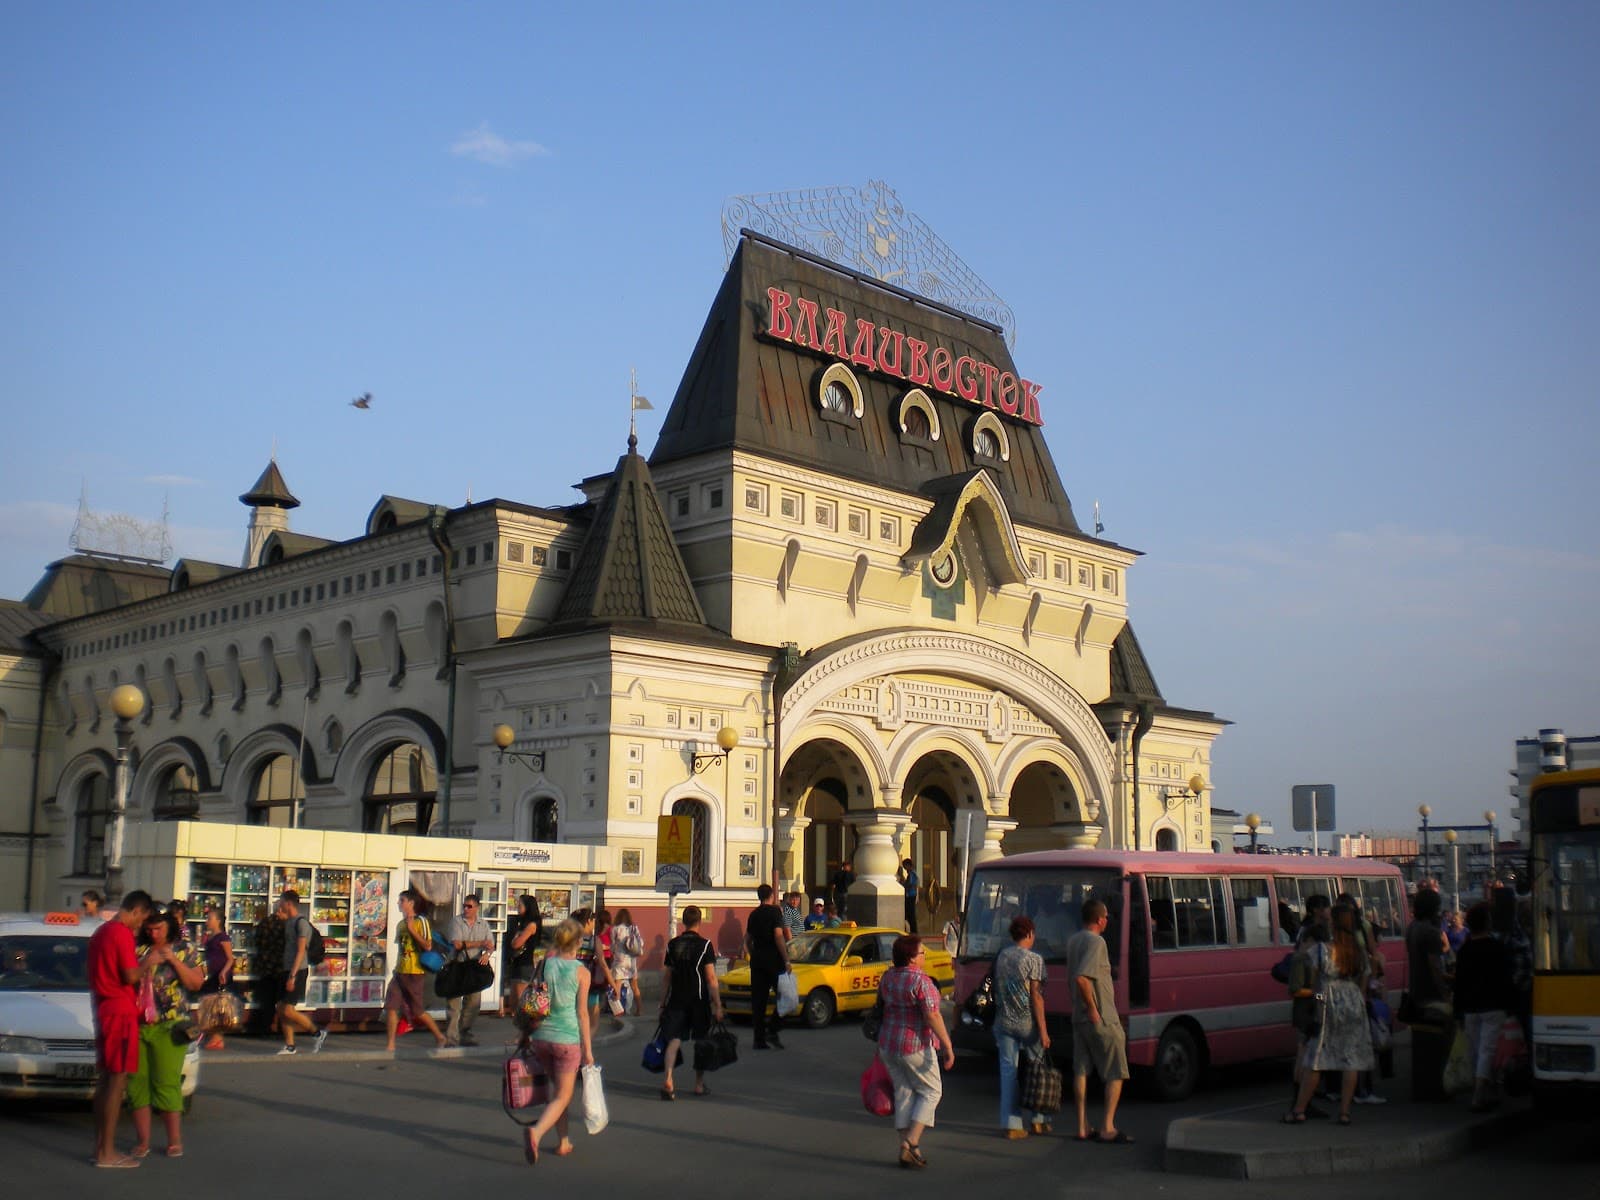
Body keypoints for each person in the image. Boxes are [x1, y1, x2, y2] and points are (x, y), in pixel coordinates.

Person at [1286, 902, 1373, 1124]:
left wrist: (1318, 1003)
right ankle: (1344, 1112)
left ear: (1334, 923)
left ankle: (1299, 1110)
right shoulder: (1359, 952)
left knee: (1316, 1057)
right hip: (1353, 1001)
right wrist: (1358, 1001)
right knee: (1350, 1059)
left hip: (1327, 1001)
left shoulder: (1322, 950)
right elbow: (1364, 981)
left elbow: (1315, 984)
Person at [129, 908, 205, 1159]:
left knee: (166, 1081)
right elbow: (126, 979)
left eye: (159, 929)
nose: (154, 934)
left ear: (169, 927)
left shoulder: (185, 949)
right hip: (138, 1023)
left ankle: (174, 1140)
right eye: (149, 929)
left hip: (171, 1025)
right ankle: (143, 1141)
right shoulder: (138, 949)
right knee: (137, 1083)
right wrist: (146, 963)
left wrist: (173, 960)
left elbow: (196, 983)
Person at [875, 935, 956, 1169]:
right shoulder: (921, 981)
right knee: (932, 1091)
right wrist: (948, 1046)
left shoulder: (888, 977)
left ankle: (907, 1148)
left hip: (888, 1043)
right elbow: (933, 1015)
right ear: (911, 958)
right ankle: (911, 1141)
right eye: (922, 953)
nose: (924, 956)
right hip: (915, 1044)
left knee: (904, 1092)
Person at [88, 889, 154, 1168]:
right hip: (120, 1010)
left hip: (103, 1007)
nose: (141, 925)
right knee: (117, 1081)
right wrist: (149, 961)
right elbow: (129, 974)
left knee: (105, 1080)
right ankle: (107, 1152)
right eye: (142, 919)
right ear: (136, 911)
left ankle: (101, 1146)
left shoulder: (100, 932)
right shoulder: (121, 933)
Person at [520, 918, 595, 1165]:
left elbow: (532, 998)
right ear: (578, 942)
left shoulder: (545, 964)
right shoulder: (581, 972)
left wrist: (525, 1034)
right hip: (566, 1039)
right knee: (563, 1095)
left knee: (558, 1093)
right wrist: (588, 1050)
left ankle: (563, 1142)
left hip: (542, 1036)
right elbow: (582, 1013)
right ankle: (536, 1132)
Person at [1065, 899, 1131, 1143]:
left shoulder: (1073, 941)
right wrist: (1093, 1008)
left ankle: (1082, 1125)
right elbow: (1082, 978)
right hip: (1100, 1015)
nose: (1107, 921)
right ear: (1100, 919)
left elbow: (1072, 978)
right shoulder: (1097, 942)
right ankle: (1107, 1126)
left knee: (1081, 1070)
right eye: (1106, 917)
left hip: (1078, 1017)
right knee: (1116, 1070)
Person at [994, 915, 1052, 1138]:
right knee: (1038, 1069)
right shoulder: (1034, 959)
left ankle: (1012, 1124)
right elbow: (1036, 996)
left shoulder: (1002, 956)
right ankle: (1039, 1119)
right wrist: (1044, 1031)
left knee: (1008, 1071)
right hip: (1028, 1023)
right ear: (1029, 934)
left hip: (1003, 1021)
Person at [1453, 902, 1514, 1112]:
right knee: (1487, 1049)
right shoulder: (1497, 948)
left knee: (1475, 1050)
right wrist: (1510, 1004)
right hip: (1493, 1006)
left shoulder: (1464, 950)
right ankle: (1480, 1093)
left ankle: (1482, 1089)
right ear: (1488, 923)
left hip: (1470, 1007)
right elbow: (1506, 978)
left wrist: (1458, 1010)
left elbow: (1459, 983)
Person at [659, 905, 723, 1100]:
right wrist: (718, 1005)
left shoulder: (672, 945)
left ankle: (668, 1079)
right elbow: (710, 977)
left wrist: (662, 1003)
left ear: (683, 921)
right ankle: (698, 1084)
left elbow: (667, 977)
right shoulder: (705, 945)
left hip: (676, 999)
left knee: (673, 1040)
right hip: (698, 1000)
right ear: (699, 922)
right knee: (701, 1041)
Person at [1406, 887, 1454, 1101]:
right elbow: (1435, 966)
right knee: (1439, 1045)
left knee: (1421, 1046)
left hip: (1416, 990)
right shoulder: (1431, 932)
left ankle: (1421, 1087)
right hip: (1431, 994)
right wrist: (1444, 993)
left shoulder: (1412, 928)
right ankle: (1438, 1087)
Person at [384, 888, 447, 1051]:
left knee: (418, 1010)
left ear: (411, 903)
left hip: (415, 972)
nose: (399, 903)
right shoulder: (400, 924)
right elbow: (402, 948)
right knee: (391, 1006)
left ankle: (439, 1036)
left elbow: (428, 946)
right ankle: (390, 1044)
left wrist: (412, 929)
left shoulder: (421, 921)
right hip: (400, 971)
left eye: (402, 900)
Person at [1288, 895, 1332, 1119]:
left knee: (1305, 1055)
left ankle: (1303, 1101)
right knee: (1304, 1056)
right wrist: (1318, 994)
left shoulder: (1306, 950)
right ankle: (1299, 1103)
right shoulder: (1303, 957)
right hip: (1306, 1008)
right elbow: (1296, 988)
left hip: (1308, 1006)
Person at [275, 891, 328, 1055]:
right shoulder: (289, 922)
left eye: (281, 902)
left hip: (297, 970)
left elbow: (300, 951)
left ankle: (317, 1032)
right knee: (281, 1007)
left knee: (288, 1009)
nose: (279, 905)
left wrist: (292, 976)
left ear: (289, 903)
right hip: (287, 969)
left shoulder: (301, 923)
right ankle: (290, 1045)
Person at [744, 883, 791, 1049]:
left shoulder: (754, 914)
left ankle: (759, 1040)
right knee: (786, 997)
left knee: (759, 1001)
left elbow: (747, 940)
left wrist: (753, 954)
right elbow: (778, 936)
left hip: (757, 961)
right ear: (772, 896)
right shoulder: (775, 912)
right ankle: (773, 1028)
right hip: (774, 960)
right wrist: (786, 959)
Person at [445, 895, 495, 1046]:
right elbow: (458, 944)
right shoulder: (456, 921)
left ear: (477, 908)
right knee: (454, 1004)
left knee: (473, 1003)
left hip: (474, 966)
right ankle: (451, 1038)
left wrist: (487, 954)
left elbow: (491, 944)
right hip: (457, 964)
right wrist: (481, 943)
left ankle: (464, 1033)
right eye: (464, 906)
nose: (466, 909)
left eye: (469, 906)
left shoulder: (483, 924)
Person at [198, 907, 234, 1050]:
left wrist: (224, 972)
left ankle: (218, 1038)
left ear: (218, 921)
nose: (207, 921)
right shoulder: (210, 937)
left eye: (210, 919)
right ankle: (214, 1035)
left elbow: (230, 958)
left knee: (218, 1007)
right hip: (212, 974)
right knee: (210, 1005)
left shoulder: (223, 937)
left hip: (221, 976)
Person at [248, 903, 285, 1037]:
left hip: (264, 965)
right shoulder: (284, 925)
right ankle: (281, 1028)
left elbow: (257, 941)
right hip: (279, 966)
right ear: (280, 910)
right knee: (282, 1000)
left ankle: (264, 1027)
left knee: (266, 1000)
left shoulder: (264, 923)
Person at [506, 895, 543, 1017]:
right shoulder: (519, 922)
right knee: (513, 1000)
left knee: (521, 998)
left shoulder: (532, 924)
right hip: (516, 962)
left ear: (528, 907)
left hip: (526, 963)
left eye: (520, 905)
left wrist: (516, 937)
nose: (518, 907)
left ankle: (526, 1021)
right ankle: (517, 1019)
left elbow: (517, 943)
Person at [610, 907, 644, 1016]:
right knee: (635, 986)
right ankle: (639, 1010)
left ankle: (618, 1011)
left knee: (617, 986)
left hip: (619, 960)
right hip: (631, 961)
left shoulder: (615, 929)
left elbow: (612, 945)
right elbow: (641, 942)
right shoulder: (634, 928)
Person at [896, 859, 920, 933]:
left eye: (905, 866)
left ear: (908, 865)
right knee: (909, 914)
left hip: (910, 896)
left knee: (910, 914)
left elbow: (910, 884)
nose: (905, 869)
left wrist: (904, 885)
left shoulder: (911, 874)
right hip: (911, 895)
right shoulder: (912, 874)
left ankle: (913, 931)